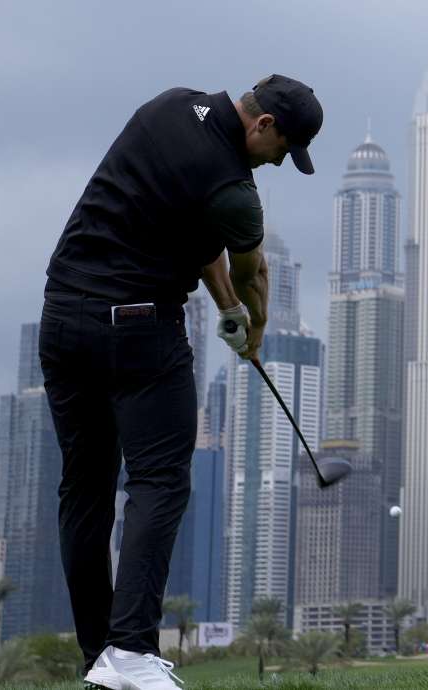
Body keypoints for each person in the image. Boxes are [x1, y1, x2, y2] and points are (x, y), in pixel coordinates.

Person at [38, 75, 322, 690]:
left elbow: (186, 228)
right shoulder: (236, 192)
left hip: (62, 318)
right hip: (138, 331)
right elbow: (255, 275)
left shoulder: (168, 105)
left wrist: (220, 308)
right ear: (263, 125)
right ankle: (132, 651)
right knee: (160, 482)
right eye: (282, 150)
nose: (276, 163)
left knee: (84, 493)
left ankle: (102, 660)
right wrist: (253, 330)